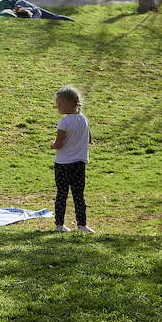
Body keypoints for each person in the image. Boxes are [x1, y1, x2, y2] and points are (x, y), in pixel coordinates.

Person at [51, 85, 93, 232]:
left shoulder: (64, 122)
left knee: (62, 194)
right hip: (79, 164)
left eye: (60, 104)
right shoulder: (84, 120)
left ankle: (59, 224)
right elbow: (89, 139)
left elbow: (59, 143)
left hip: (63, 164)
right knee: (79, 195)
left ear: (70, 104)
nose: (58, 107)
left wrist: (52, 145)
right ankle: (82, 225)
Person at [0, 0, 76, 22]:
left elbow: (37, 12)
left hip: (18, 3)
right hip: (10, 5)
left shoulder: (7, 13)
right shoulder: (1, 15)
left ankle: (72, 21)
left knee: (51, 16)